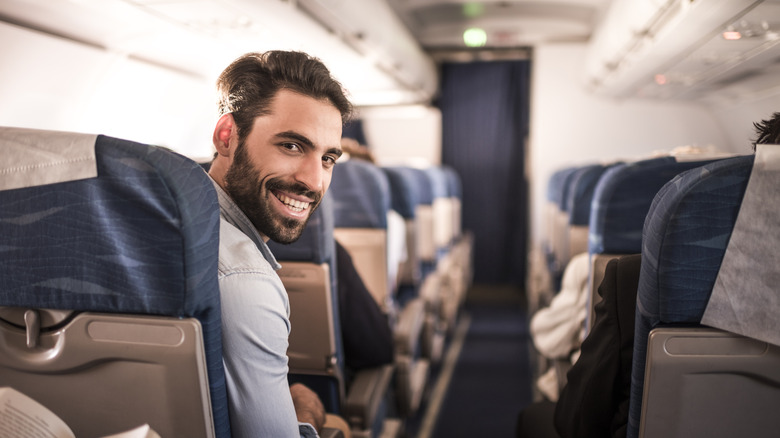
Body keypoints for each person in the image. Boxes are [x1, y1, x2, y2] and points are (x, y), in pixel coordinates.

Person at [207, 51, 352, 438]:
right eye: (292, 146)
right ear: (227, 136)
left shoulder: (149, 223)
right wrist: (306, 416)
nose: (314, 181)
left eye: (328, 158)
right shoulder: (244, 278)